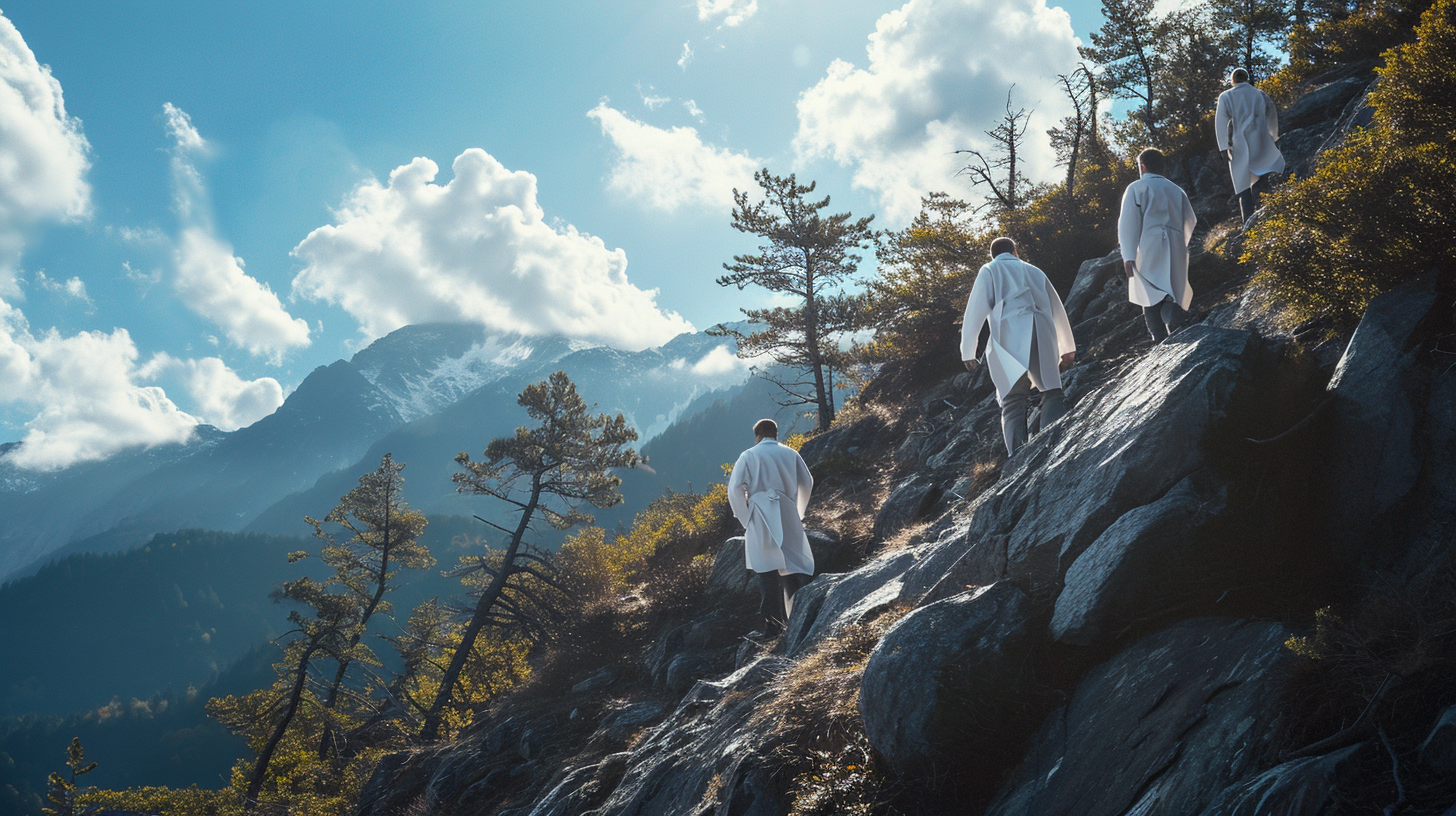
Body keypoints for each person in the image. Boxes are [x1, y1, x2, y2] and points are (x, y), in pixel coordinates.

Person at [961, 237, 1077, 456]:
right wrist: (1067, 347)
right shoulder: (1034, 270)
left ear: (992, 255)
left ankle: (1017, 457)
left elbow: (975, 309)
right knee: (1052, 390)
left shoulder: (990, 270)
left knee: (1013, 399)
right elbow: (1057, 307)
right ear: (1015, 250)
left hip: (1009, 333)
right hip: (1042, 330)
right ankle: (1052, 445)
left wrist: (968, 351)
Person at [726, 418, 815, 638]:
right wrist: (798, 510)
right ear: (776, 433)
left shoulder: (748, 456)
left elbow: (735, 489)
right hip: (787, 511)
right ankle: (799, 619)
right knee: (793, 566)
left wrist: (746, 517)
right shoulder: (791, 453)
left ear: (757, 435)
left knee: (766, 570)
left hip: (761, 514)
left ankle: (773, 627)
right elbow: (807, 482)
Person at [1118, 148, 1198, 343]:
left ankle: (1159, 340)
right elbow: (1190, 219)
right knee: (1173, 288)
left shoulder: (1137, 188)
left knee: (1150, 293)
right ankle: (1178, 329)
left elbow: (1128, 222)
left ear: (1142, 166)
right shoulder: (1176, 189)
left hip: (1149, 246)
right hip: (1176, 245)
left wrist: (1128, 255)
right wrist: (1181, 241)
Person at [1215, 68, 1284, 225]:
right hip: (1262, 141)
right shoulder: (1260, 94)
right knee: (1263, 179)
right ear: (1246, 78)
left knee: (1243, 186)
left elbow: (1220, 122)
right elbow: (1272, 113)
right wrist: (1273, 135)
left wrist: (1224, 147)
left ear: (1232, 80)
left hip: (1239, 144)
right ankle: (1270, 216)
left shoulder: (1226, 96)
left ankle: (1248, 223)